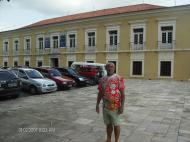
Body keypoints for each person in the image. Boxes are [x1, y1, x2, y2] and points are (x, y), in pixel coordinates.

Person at [96, 62, 126, 142]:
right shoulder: (102, 79)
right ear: (105, 68)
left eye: (112, 66)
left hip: (115, 106)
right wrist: (97, 105)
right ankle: (109, 139)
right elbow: (100, 93)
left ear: (114, 68)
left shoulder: (119, 78)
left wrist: (122, 106)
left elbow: (123, 94)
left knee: (116, 124)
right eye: (108, 67)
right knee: (108, 124)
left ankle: (116, 140)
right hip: (105, 106)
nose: (110, 68)